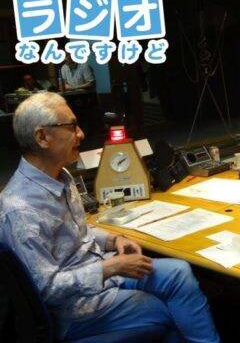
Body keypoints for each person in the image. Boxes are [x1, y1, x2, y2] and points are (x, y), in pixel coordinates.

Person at [0, 92, 220, 342]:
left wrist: (114, 240)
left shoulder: (60, 175)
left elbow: (76, 231)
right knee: (164, 310)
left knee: (179, 273)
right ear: (42, 137)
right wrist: (110, 267)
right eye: (71, 126)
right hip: (76, 309)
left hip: (100, 272)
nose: (81, 134)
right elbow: (46, 289)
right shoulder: (20, 210)